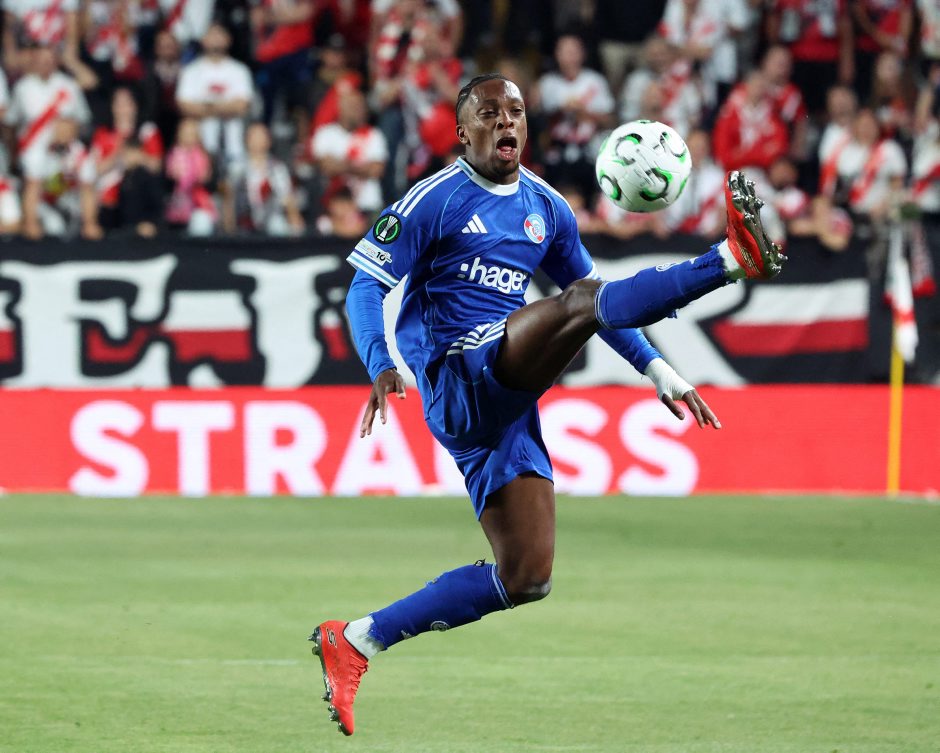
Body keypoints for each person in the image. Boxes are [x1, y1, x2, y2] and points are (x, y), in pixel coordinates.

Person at [309, 74, 785, 737]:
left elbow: (597, 300)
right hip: (456, 372)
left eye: (515, 111)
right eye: (489, 113)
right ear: (463, 131)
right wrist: (380, 362)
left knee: (527, 575)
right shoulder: (434, 201)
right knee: (580, 304)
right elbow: (366, 285)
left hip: (505, 400)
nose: (506, 121)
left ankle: (357, 638)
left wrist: (658, 370)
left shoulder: (548, 208)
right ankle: (728, 258)